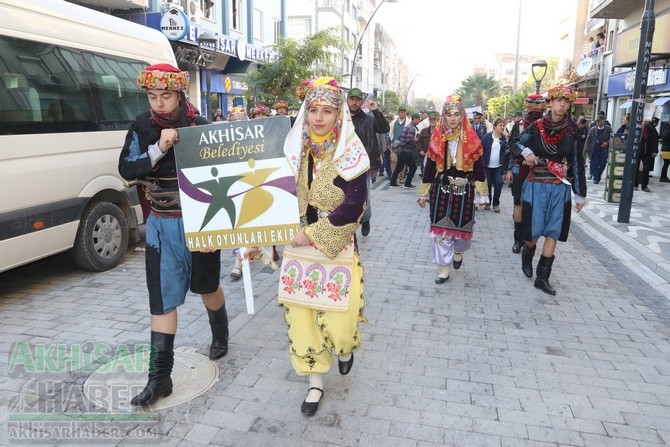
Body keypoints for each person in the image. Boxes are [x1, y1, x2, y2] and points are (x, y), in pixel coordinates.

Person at [118, 64, 228, 406]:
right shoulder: (141, 125)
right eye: (152, 96)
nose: (159, 103)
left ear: (179, 93)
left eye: (165, 96)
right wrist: (158, 150)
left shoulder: (202, 127)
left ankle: (221, 333)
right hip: (161, 225)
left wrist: (219, 230)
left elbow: (226, 181)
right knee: (162, 300)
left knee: (206, 286)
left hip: (201, 222)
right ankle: (159, 378)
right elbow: (125, 169)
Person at [273, 76, 369, 416]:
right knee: (302, 322)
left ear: (338, 114)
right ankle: (314, 382)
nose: (318, 118)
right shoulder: (289, 151)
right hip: (296, 252)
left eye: (327, 110)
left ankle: (344, 351)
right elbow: (272, 197)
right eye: (312, 109)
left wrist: (313, 233)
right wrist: (259, 237)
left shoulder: (352, 155)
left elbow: (354, 207)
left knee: (341, 328)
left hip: (337, 248)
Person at [509, 86, 587, 296]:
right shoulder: (536, 126)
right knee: (533, 232)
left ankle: (542, 278)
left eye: (566, 101)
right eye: (558, 100)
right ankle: (528, 252)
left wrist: (580, 194)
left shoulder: (574, 130)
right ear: (550, 103)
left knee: (553, 231)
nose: (562, 104)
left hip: (560, 187)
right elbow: (514, 142)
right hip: (536, 185)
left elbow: (577, 162)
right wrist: (526, 153)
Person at [417, 95, 489, 284]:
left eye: (457, 114)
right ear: (444, 116)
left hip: (465, 191)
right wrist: (423, 192)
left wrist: (482, 193)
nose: (453, 118)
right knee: (441, 231)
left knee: (462, 232)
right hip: (441, 189)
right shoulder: (437, 137)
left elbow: (479, 166)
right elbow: (430, 167)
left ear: (462, 115)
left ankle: (458, 250)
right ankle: (443, 268)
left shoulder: (472, 138)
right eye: (449, 114)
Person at [505, 94, 546, 254]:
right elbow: (512, 147)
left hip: (540, 170)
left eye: (538, 105)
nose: (535, 109)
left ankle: (529, 239)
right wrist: (508, 169)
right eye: (532, 105)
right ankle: (518, 239)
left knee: (534, 206)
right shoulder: (519, 125)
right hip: (520, 168)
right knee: (519, 205)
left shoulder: (547, 124)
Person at [347, 88, 390, 236]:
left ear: (361, 101)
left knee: (364, 196)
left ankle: (366, 219)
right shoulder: (340, 119)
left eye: (357, 99)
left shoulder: (368, 118)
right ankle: (346, 225)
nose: (354, 102)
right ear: (347, 100)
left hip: (363, 165)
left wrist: (376, 110)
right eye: (352, 99)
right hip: (342, 165)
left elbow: (384, 128)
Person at [481, 117, 508, 213]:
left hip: (498, 166)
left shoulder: (504, 138)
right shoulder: (487, 137)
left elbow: (509, 149)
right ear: (495, 126)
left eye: (503, 125)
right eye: (500, 125)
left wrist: (507, 138)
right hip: (487, 165)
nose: (502, 127)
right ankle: (488, 202)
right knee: (487, 184)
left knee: (498, 183)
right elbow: (481, 150)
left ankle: (496, 204)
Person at [389, 112, 420, 188]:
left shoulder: (408, 126)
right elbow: (408, 140)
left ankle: (393, 182)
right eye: (418, 119)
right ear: (415, 119)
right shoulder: (411, 128)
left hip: (402, 151)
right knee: (413, 167)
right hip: (407, 151)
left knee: (399, 167)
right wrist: (416, 140)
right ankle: (407, 183)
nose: (419, 121)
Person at [584, 112, 613, 184]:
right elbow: (588, 140)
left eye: (599, 121)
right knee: (594, 164)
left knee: (603, 163)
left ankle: (597, 175)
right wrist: (586, 150)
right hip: (594, 149)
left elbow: (612, 138)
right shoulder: (592, 129)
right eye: (596, 121)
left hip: (603, 150)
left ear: (603, 121)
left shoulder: (608, 129)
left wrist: (607, 142)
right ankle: (596, 178)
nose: (597, 122)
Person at [636, 117, 660, 192]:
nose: (646, 122)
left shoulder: (651, 129)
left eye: (647, 121)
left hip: (647, 152)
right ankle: (635, 184)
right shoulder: (638, 128)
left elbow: (654, 140)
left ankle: (644, 185)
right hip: (638, 151)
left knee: (646, 168)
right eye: (645, 121)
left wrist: (654, 151)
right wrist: (641, 128)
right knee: (635, 168)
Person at [417, 110, 439, 176]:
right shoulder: (424, 131)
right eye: (431, 120)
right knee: (425, 173)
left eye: (434, 119)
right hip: (425, 155)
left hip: (437, 156)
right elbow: (418, 141)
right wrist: (421, 150)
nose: (432, 121)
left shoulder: (441, 131)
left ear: (437, 120)